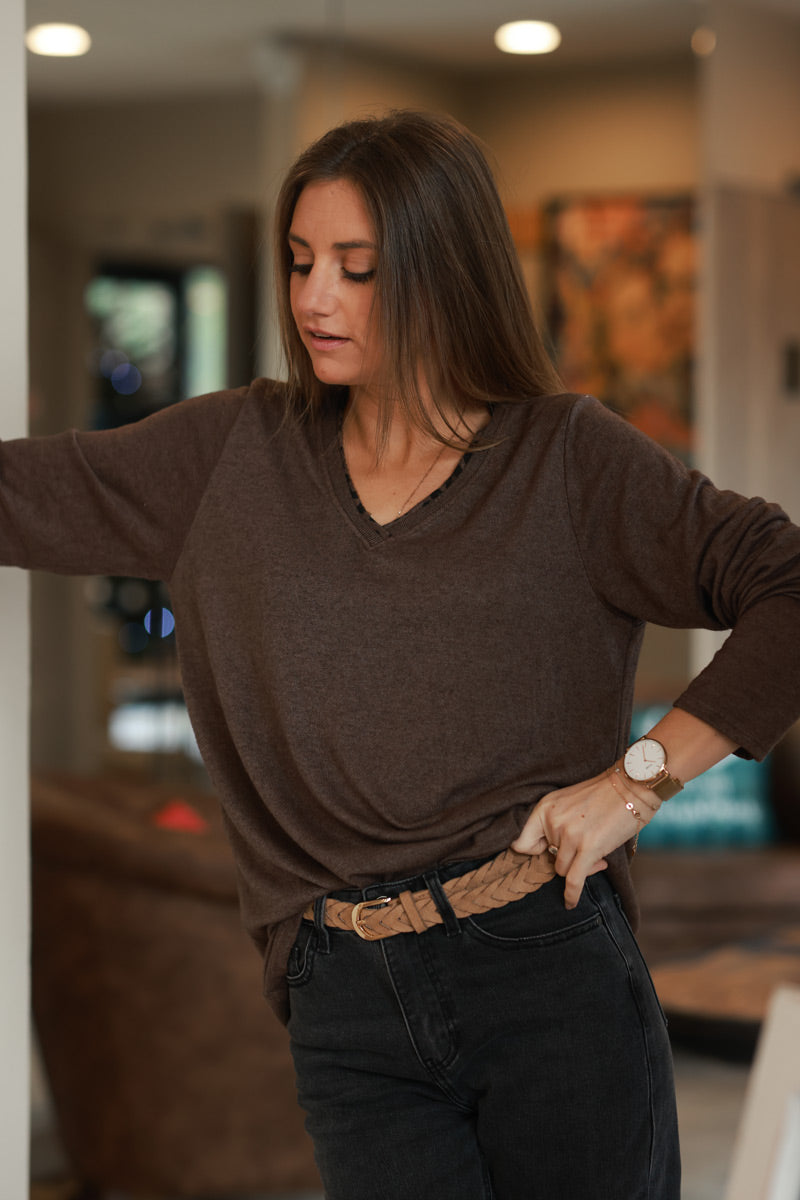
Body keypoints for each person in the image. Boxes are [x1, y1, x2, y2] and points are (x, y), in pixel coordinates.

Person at [3, 109, 800, 1199]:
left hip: (543, 962)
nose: (313, 298)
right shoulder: (227, 453)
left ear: (443, 272)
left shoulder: (567, 460)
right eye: (297, 263)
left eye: (357, 268)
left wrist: (639, 779)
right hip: (343, 995)